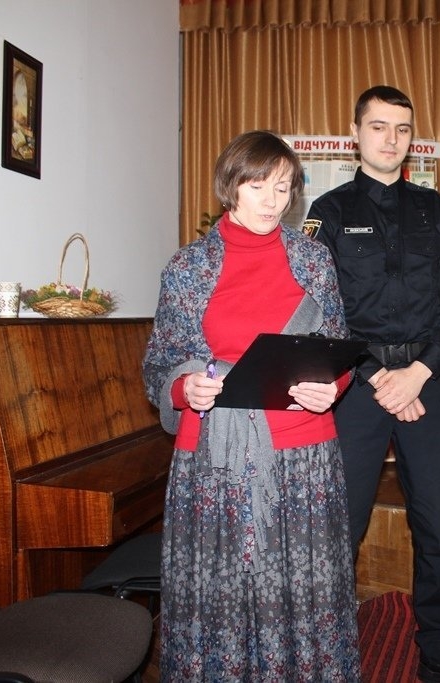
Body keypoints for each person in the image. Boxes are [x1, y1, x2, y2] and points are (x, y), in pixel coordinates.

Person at [142, 130, 360, 682]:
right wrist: (185, 388)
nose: (272, 200)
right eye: (258, 185)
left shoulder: (313, 260)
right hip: (215, 459)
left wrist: (333, 386)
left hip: (304, 456)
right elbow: (161, 361)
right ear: (230, 186)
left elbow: (337, 349)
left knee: (306, 592)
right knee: (223, 594)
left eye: (283, 188)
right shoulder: (189, 267)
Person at [302, 85, 440, 683]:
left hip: (427, 381)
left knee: (435, 524)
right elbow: (318, 307)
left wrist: (419, 372)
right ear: (355, 134)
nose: (391, 139)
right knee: (342, 526)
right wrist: (379, 376)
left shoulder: (437, 211)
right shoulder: (328, 212)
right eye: (379, 127)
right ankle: (328, 653)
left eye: (402, 129)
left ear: (412, 138)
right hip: (356, 387)